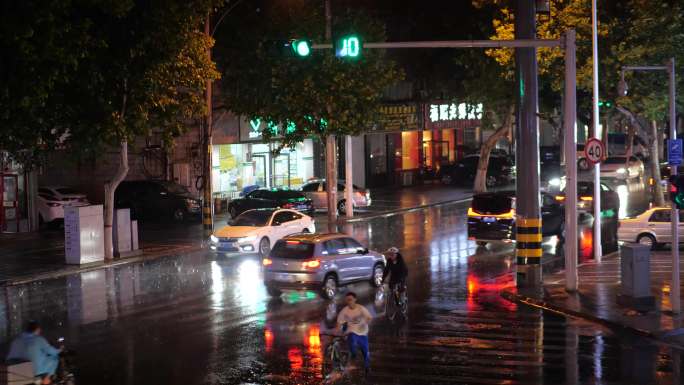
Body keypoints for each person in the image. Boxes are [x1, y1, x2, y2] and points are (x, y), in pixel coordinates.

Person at [336, 292, 373, 375]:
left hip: (362, 333)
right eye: (347, 300)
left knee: (366, 352)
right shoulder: (345, 311)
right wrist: (338, 331)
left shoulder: (361, 309)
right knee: (352, 338)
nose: (348, 302)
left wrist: (365, 324)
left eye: (350, 300)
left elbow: (369, 318)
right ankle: (353, 354)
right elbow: (339, 322)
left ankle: (367, 367)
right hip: (352, 331)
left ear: (355, 300)